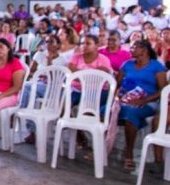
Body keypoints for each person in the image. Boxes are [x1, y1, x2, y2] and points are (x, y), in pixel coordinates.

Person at [107, 40, 167, 171]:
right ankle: (101, 149)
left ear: (144, 50)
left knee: (131, 113)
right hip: (125, 99)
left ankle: (129, 154)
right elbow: (116, 85)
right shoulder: (127, 65)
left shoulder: (156, 66)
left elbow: (163, 90)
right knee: (104, 111)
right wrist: (118, 97)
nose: (131, 49)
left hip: (148, 102)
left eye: (134, 47)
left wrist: (143, 100)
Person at [19, 34, 69, 144]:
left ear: (58, 45)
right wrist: (39, 75)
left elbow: (56, 78)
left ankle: (21, 110)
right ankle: (33, 131)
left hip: (53, 88)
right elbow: (31, 71)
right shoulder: (39, 55)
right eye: (46, 42)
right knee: (31, 93)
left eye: (51, 42)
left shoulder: (62, 60)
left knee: (27, 87)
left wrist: (49, 61)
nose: (48, 44)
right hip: (38, 84)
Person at [68, 35, 113, 108]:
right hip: (76, 89)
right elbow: (71, 73)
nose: (84, 46)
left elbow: (99, 78)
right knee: (66, 100)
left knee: (86, 105)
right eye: (82, 43)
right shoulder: (75, 57)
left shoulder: (104, 59)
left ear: (96, 45)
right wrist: (91, 74)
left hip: (97, 91)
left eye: (88, 43)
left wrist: (79, 74)